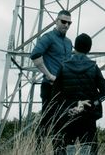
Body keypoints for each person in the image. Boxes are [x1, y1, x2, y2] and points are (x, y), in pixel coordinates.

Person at [50, 33, 105, 155]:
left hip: (68, 115)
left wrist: (73, 105)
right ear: (89, 48)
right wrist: (91, 104)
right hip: (88, 116)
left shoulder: (64, 66)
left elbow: (55, 95)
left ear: (74, 47)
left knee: (67, 148)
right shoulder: (93, 67)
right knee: (87, 149)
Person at [30, 9, 73, 138]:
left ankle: (58, 151)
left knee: (62, 122)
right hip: (49, 86)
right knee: (47, 122)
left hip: (63, 88)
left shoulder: (69, 42)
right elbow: (35, 55)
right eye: (63, 21)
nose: (66, 25)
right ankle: (39, 151)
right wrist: (49, 75)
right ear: (57, 21)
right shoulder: (48, 37)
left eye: (69, 23)